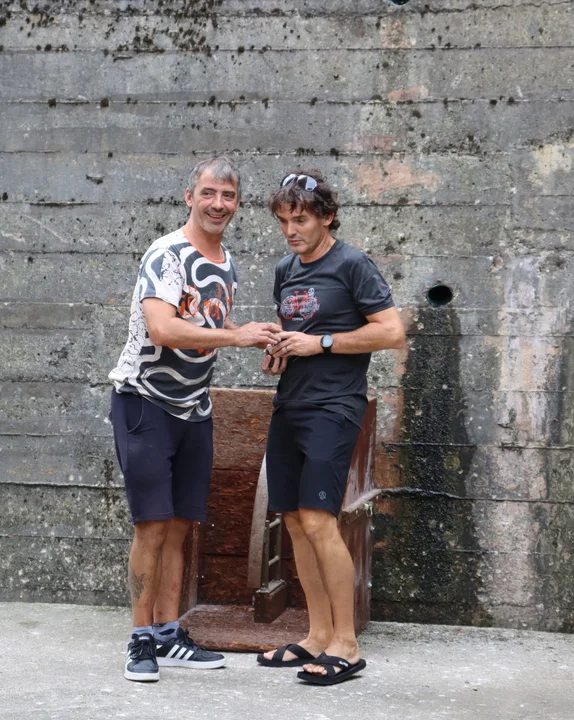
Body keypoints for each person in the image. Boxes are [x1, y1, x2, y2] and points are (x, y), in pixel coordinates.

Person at [108, 156, 282, 682]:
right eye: (208, 193)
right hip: (145, 402)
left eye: (228, 196)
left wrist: (259, 337)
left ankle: (168, 633)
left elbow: (205, 324)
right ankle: (140, 640)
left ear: (238, 204)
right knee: (152, 525)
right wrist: (236, 337)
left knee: (181, 526)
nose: (217, 204)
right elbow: (162, 328)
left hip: (194, 409)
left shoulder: (226, 261)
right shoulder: (167, 254)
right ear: (190, 197)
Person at [256, 169, 404, 685]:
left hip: (334, 406)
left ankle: (347, 644)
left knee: (319, 520)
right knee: (295, 521)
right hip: (290, 402)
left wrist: (320, 344)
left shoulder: (352, 264)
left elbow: (391, 331)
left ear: (327, 216)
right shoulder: (285, 269)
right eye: (283, 221)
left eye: (300, 220)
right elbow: (298, 331)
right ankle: (317, 635)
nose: (290, 231)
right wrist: (280, 351)